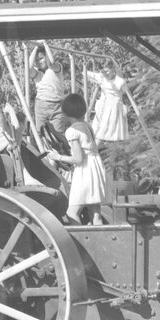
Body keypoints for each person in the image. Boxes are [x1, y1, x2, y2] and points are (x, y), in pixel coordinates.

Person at [45, 93, 108, 225]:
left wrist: (58, 156)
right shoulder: (86, 126)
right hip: (95, 167)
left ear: (65, 113)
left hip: (85, 171)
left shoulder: (71, 131)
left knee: (72, 213)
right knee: (95, 214)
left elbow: (78, 159)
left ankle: (80, 244)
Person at [31, 47, 66, 151]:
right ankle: (44, 157)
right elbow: (28, 67)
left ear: (46, 57)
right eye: (36, 60)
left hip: (57, 106)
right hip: (41, 105)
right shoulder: (37, 73)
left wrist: (45, 44)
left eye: (41, 58)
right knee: (39, 133)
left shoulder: (55, 69)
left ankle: (61, 159)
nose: (39, 62)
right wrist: (35, 47)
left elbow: (51, 63)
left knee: (58, 134)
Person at [86, 67, 130, 146]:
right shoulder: (102, 77)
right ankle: (91, 148)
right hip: (103, 106)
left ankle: (94, 149)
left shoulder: (120, 82)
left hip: (114, 108)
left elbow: (124, 92)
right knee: (96, 129)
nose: (105, 73)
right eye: (103, 71)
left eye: (107, 71)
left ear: (113, 70)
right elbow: (87, 73)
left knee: (107, 131)